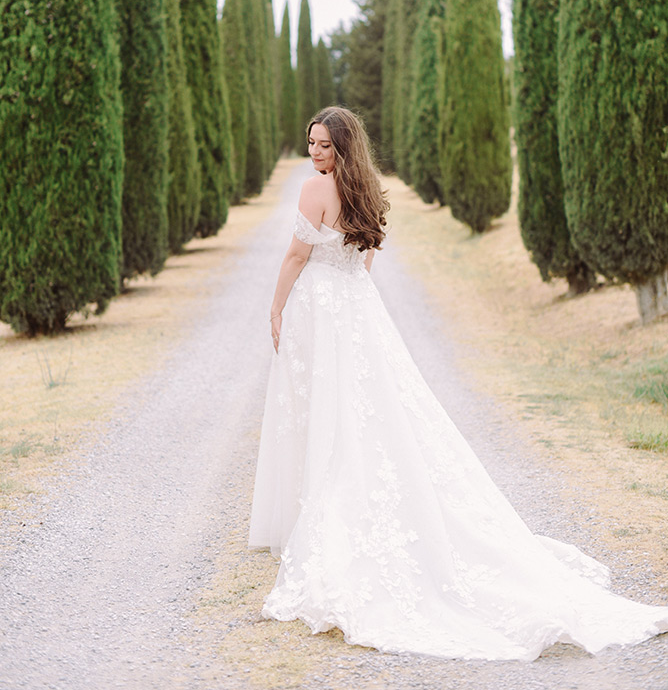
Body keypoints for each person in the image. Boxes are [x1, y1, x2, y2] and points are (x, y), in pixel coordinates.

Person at [248, 105, 668, 661]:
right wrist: (349, 296)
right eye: (311, 143)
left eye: (324, 145)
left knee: (333, 408)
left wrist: (277, 311)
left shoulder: (314, 189)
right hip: (354, 308)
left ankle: (330, 510)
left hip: (325, 309)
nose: (314, 153)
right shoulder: (365, 188)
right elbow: (365, 258)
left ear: (342, 148)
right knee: (363, 409)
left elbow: (297, 255)